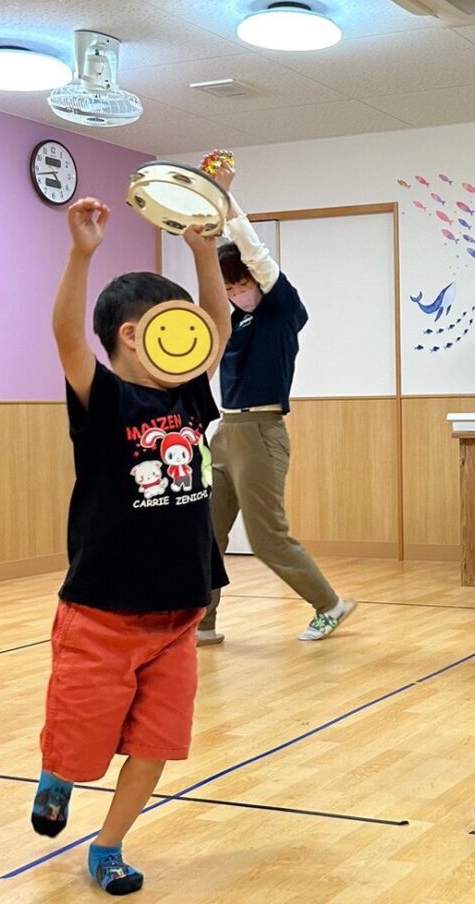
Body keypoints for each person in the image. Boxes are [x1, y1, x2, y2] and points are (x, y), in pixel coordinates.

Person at [32, 198, 231, 895]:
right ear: (132, 335)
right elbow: (67, 340)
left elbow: (220, 326)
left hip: (179, 615)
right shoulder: (107, 399)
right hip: (102, 615)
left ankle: (109, 846)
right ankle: (59, 773)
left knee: (156, 744)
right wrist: (81, 253)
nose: (197, 339)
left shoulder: (190, 398)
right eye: (179, 326)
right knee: (81, 744)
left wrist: (204, 252)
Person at [196, 160, 356, 645]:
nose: (236, 294)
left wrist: (225, 200)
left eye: (241, 285)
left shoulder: (282, 311)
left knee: (267, 537)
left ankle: (329, 604)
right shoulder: (234, 322)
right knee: (206, 533)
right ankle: (202, 623)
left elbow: (255, 252)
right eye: (229, 289)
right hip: (225, 432)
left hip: (262, 434)